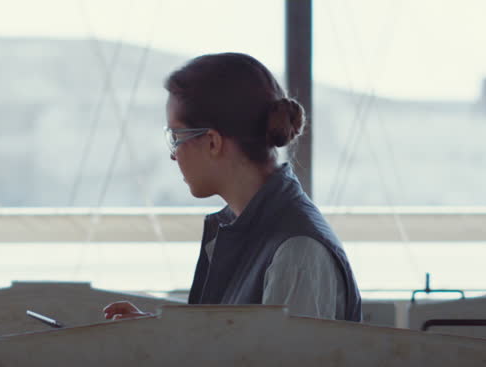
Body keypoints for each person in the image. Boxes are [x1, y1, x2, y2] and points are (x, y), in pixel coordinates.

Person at [103, 52, 362, 322]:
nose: (173, 154)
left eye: (176, 137)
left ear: (213, 142)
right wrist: (157, 334)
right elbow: (230, 344)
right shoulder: (245, 227)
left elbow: (284, 364)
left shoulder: (297, 253)